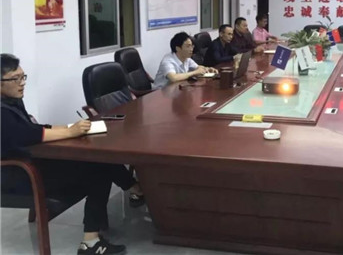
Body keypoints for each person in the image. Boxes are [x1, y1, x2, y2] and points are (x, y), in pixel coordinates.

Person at [0, 54, 143, 255]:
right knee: (98, 170)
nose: (22, 83)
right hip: (19, 176)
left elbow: (30, 128)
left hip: (33, 162)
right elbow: (28, 135)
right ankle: (90, 243)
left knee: (99, 158)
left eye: (23, 77)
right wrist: (70, 132)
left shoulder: (11, 101)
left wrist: (70, 127)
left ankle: (135, 188)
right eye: (15, 78)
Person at [153, 32, 217, 89]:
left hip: (176, 89)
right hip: (160, 92)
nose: (191, 49)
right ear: (178, 48)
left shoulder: (187, 58)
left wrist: (207, 69)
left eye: (192, 46)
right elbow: (173, 78)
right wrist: (194, 73)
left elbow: (198, 67)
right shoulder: (168, 61)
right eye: (188, 46)